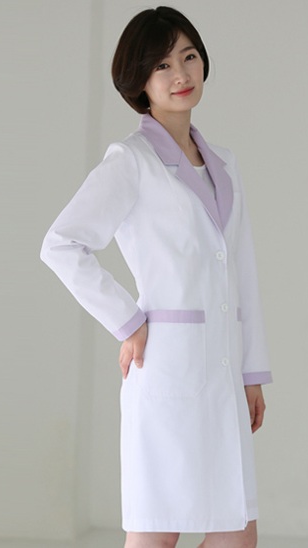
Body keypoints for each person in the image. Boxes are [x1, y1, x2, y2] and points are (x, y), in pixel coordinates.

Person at [40, 6, 272, 548]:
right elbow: (62, 244)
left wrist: (251, 372)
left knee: (237, 533)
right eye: (162, 65)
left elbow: (242, 270)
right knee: (157, 533)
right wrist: (128, 321)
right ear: (139, 80)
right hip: (167, 368)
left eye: (189, 57)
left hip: (222, 369)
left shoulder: (224, 164)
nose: (180, 74)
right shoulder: (131, 160)